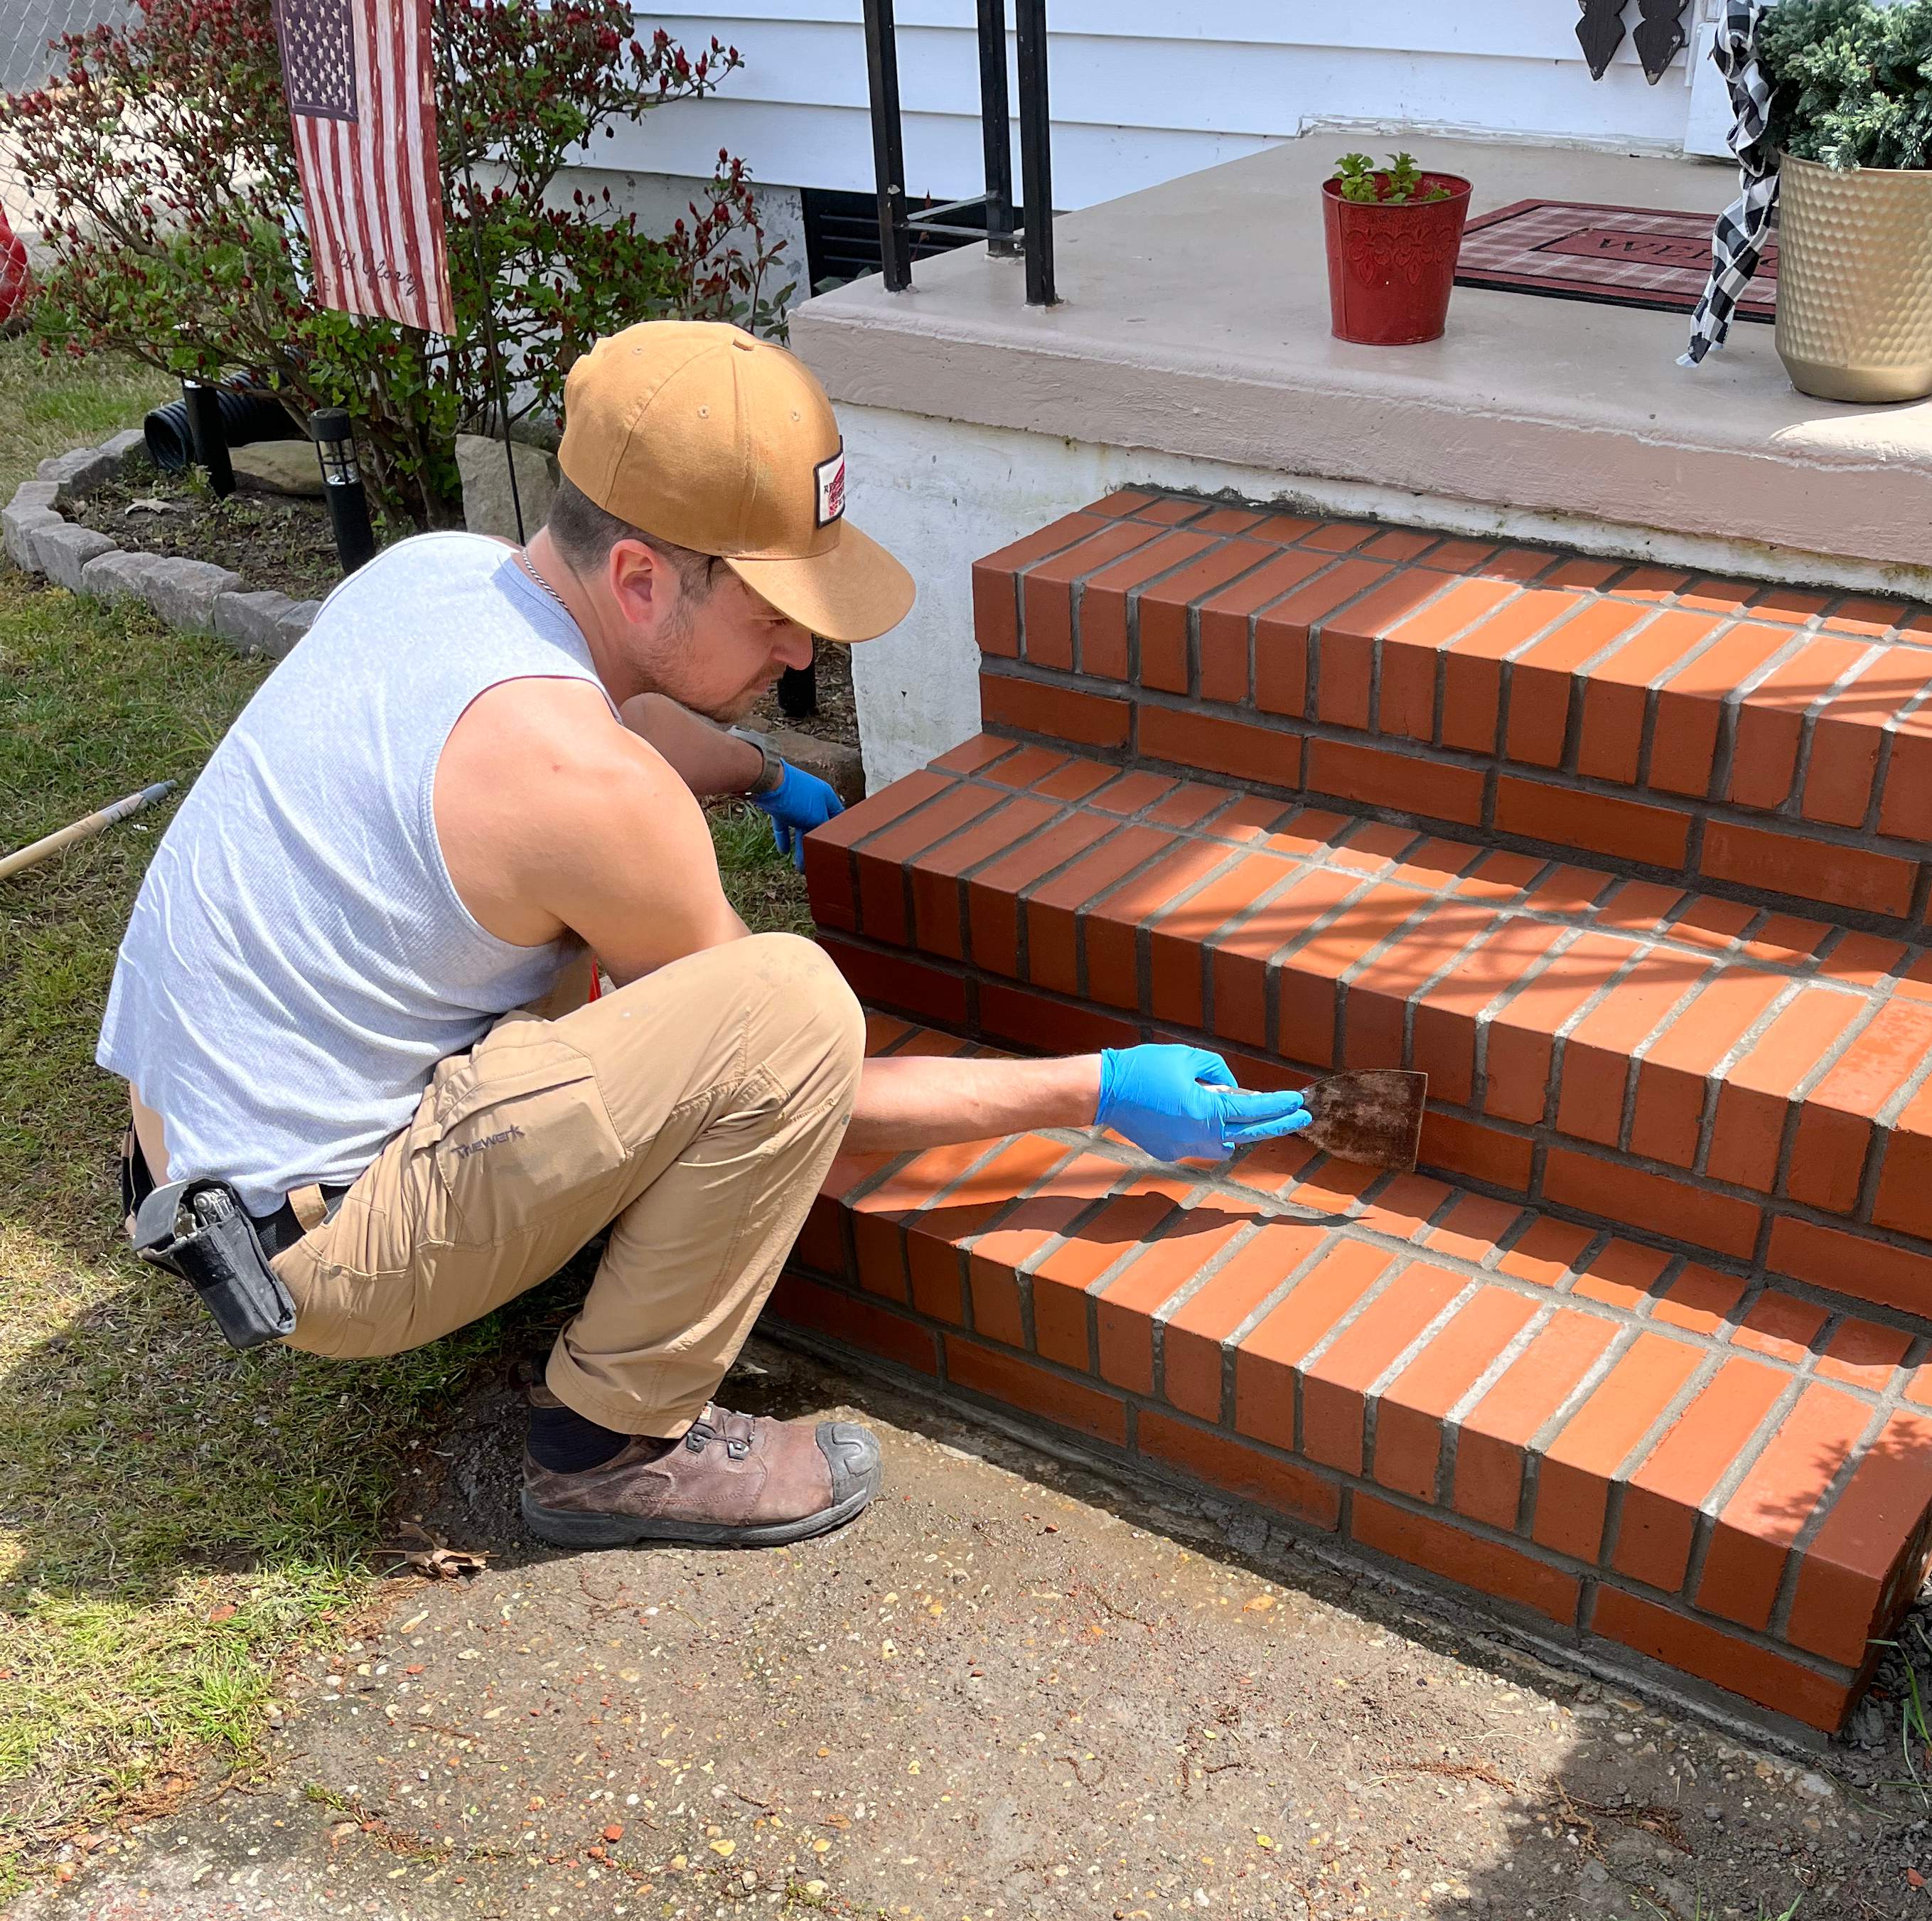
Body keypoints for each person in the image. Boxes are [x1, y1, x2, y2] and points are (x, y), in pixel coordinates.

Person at [100, 321, 1308, 1553]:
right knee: (788, 1004)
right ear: (639, 578)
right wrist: (1094, 1089)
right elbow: (809, 1083)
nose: (806, 644)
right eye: (777, 610)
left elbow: (619, 720)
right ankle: (613, 1453)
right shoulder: (592, 797)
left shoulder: (443, 577)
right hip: (320, 1254)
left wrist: (762, 773)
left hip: (192, 1164)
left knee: (608, 946)